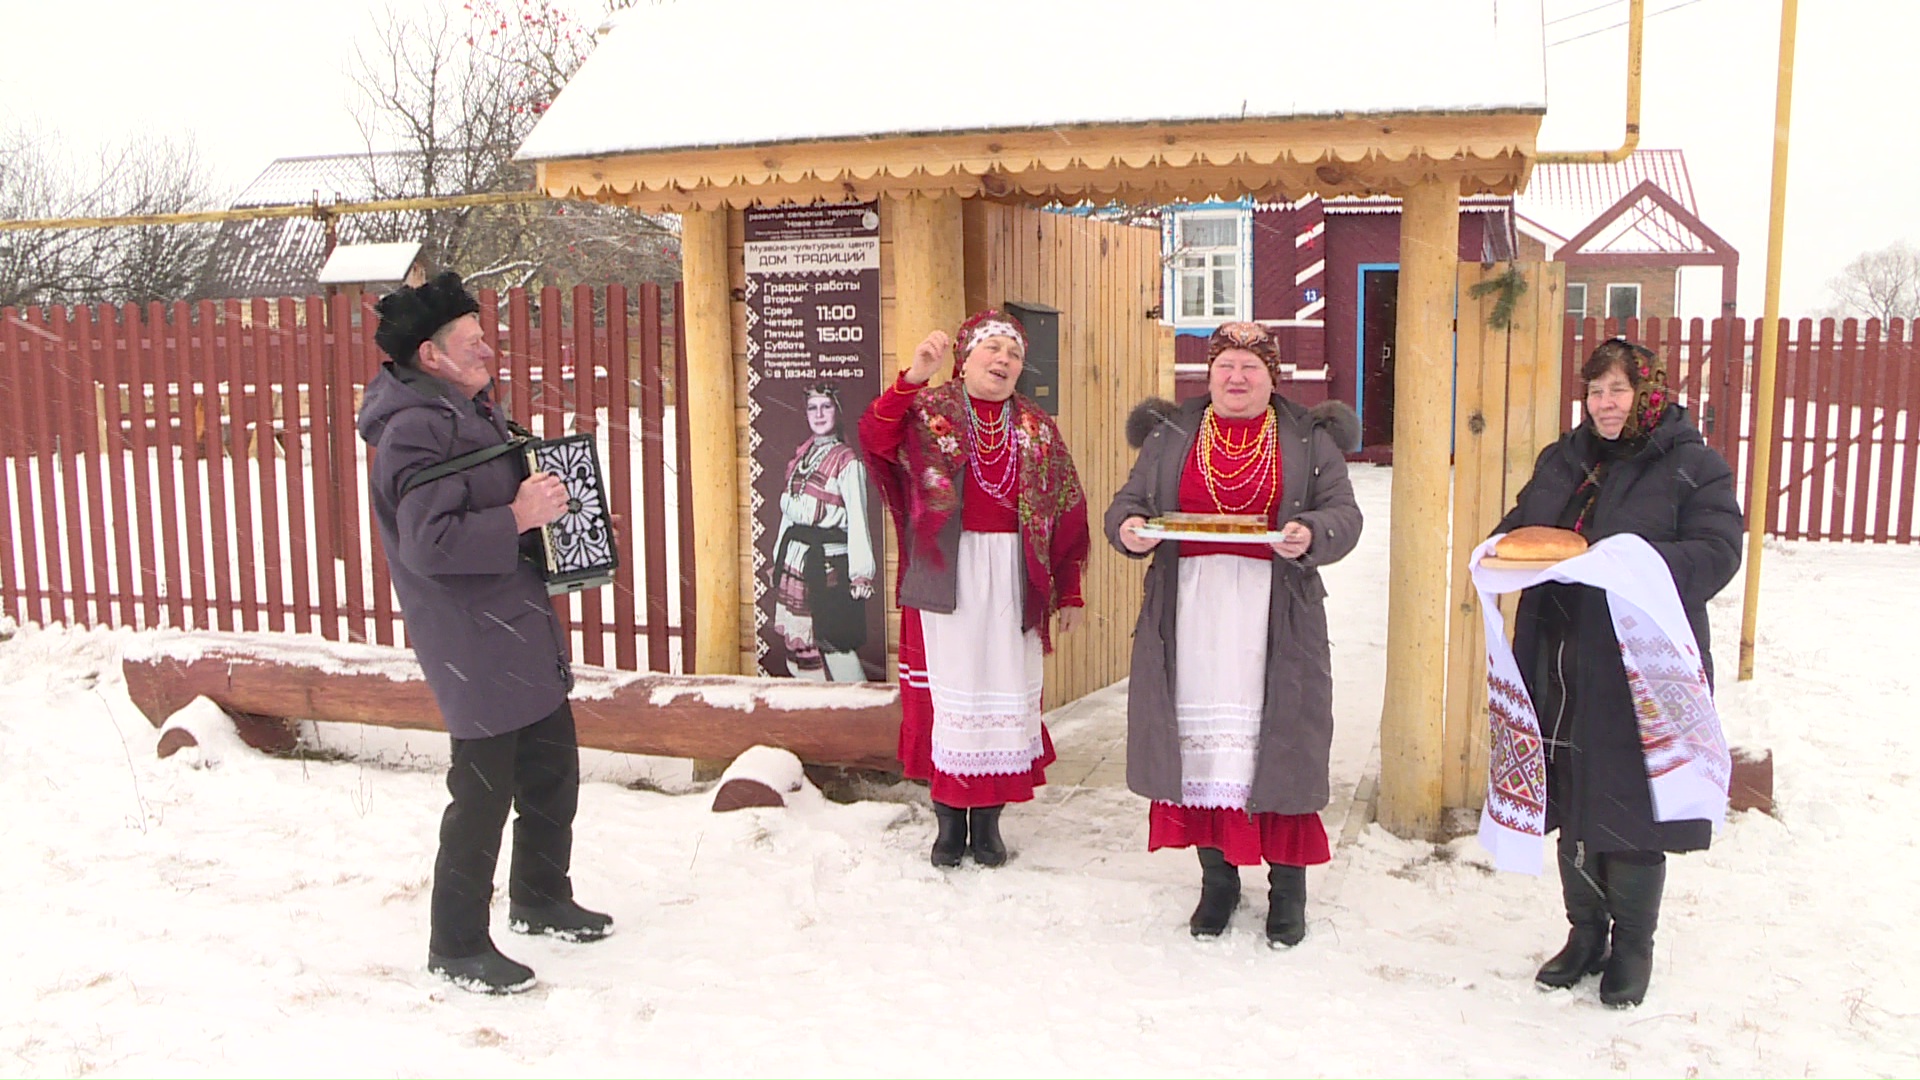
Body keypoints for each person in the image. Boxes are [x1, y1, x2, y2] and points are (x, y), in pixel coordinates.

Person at [357, 271, 612, 995]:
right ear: (430, 356)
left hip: (517, 626)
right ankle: (458, 942)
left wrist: (565, 520)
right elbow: (428, 545)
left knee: (550, 771)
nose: (489, 351)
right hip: (473, 638)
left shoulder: (472, 413)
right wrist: (518, 518)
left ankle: (539, 896)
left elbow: (501, 494)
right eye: (473, 342)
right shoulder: (414, 428)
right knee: (480, 797)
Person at [1493, 336, 1743, 1007]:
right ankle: (1584, 935)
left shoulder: (1692, 465)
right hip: (1559, 657)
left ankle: (1633, 945)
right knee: (1572, 794)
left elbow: (1718, 553)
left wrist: (1632, 565)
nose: (1605, 404)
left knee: (1630, 800)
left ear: (1649, 392)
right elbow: (1526, 526)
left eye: (1619, 390)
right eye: (1596, 390)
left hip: (1641, 668)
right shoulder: (1564, 459)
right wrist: (1498, 547)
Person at [1106, 321, 1361, 947]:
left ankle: (1288, 890)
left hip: (1275, 614)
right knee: (1202, 749)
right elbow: (1127, 503)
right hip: (1190, 613)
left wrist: (1311, 534)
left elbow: (1344, 514)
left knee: (1281, 745)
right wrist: (1131, 528)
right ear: (1209, 374)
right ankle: (1217, 880)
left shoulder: (1307, 434)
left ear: (1272, 377)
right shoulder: (1170, 432)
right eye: (1226, 367)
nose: (1238, 378)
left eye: (1251, 367)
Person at [858, 309, 1089, 868]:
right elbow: (874, 438)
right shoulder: (928, 411)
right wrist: (911, 378)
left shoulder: (1036, 426)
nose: (1004, 360)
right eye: (992, 350)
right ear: (966, 358)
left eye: (1013, 353)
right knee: (949, 696)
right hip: (946, 573)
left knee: (1004, 691)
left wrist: (1071, 589)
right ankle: (946, 823)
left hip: (1014, 573)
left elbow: (1065, 510)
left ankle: (987, 824)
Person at [770, 384, 877, 682]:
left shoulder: (847, 461)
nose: (819, 414)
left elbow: (857, 518)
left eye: (826, 406)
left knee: (834, 642)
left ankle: (858, 708)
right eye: (812, 408)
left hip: (828, 563)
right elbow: (789, 516)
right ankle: (815, 708)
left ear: (837, 412)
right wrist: (779, 557)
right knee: (800, 643)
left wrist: (860, 573)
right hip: (798, 560)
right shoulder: (802, 457)